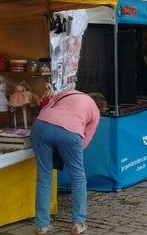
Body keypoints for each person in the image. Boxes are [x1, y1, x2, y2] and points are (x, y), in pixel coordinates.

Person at [31, 90, 105, 235]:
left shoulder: (68, 93)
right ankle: (78, 222)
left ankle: (42, 225)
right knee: (78, 177)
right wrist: (68, 152)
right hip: (70, 132)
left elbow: (47, 107)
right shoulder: (95, 111)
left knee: (44, 176)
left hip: (40, 125)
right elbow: (85, 140)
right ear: (100, 106)